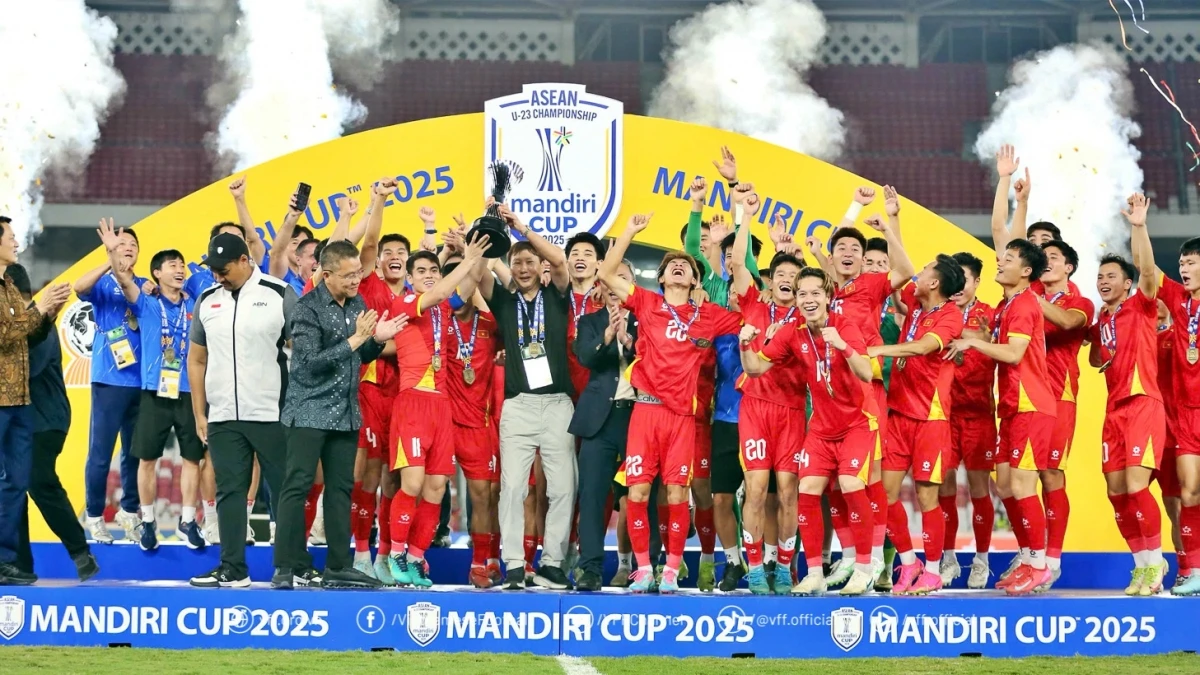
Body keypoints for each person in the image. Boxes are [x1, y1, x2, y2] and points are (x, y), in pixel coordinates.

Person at [598, 212, 744, 594]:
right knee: (637, 493)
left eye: (686, 266)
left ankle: (671, 571)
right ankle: (643, 569)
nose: (678, 267)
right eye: (670, 266)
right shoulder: (647, 303)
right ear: (661, 279)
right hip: (645, 412)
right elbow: (608, 273)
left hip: (682, 418)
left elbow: (749, 315)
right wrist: (629, 230)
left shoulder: (709, 316)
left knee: (679, 494)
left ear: (696, 280)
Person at [272, 240, 407, 589]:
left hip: (345, 412)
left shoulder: (357, 302)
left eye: (358, 273)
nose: (355, 280)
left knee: (341, 490)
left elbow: (361, 355)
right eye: (348, 276)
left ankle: (338, 566)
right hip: (308, 411)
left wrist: (377, 340)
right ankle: (285, 566)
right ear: (327, 274)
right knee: (297, 486)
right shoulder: (306, 308)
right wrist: (356, 340)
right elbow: (308, 364)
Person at [740, 266, 878, 596]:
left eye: (816, 293)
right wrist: (745, 345)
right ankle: (814, 572)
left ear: (828, 297)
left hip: (857, 423)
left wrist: (843, 346)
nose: (808, 299)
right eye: (802, 294)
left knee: (850, 483)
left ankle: (864, 568)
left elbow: (866, 373)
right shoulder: (793, 331)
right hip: (821, 428)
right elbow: (756, 369)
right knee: (808, 489)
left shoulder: (845, 325)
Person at [948, 238, 1056, 595]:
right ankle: (1026, 558)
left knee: (1023, 487)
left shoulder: (1024, 304)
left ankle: (1039, 565)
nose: (1000, 262)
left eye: (1008, 259)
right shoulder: (1007, 305)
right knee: (1007, 486)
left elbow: (1013, 354)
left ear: (1026, 271)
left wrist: (973, 342)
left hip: (1030, 405)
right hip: (1011, 407)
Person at [479, 206, 578, 592]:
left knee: (563, 488)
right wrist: (485, 234)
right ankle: (515, 565)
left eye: (529, 262)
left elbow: (560, 260)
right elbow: (478, 275)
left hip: (557, 405)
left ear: (541, 267)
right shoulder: (505, 301)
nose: (522, 268)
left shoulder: (558, 294)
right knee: (513, 489)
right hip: (518, 405)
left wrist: (521, 227)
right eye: (516, 262)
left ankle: (551, 564)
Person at [187, 233, 292, 588]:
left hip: (272, 412)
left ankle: (288, 565)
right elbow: (196, 359)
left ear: (245, 261)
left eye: (224, 269)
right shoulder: (207, 300)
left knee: (284, 490)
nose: (218, 276)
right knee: (229, 491)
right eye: (213, 270)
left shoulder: (278, 294)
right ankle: (232, 568)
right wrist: (200, 413)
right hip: (223, 415)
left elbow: (302, 349)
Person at [384, 236, 489, 588]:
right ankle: (395, 553)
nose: (429, 275)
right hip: (412, 403)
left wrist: (478, 257)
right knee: (412, 483)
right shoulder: (405, 302)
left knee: (436, 488)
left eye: (433, 270)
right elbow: (443, 291)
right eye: (422, 271)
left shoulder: (443, 308)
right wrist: (465, 259)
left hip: (441, 406)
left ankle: (416, 557)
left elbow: (467, 286)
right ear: (409, 278)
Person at [101, 218, 207, 553]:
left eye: (181, 265)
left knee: (193, 459)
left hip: (190, 393)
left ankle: (187, 521)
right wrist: (112, 252)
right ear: (156, 274)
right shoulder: (146, 301)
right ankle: (146, 521)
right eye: (172, 265)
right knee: (147, 459)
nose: (179, 269)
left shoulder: (196, 304)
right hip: (154, 391)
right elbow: (123, 278)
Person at [868, 254, 965, 594]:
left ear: (934, 283)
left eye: (924, 272)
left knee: (926, 497)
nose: (916, 275)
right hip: (898, 414)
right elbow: (902, 263)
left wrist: (879, 350)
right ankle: (910, 563)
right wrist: (889, 227)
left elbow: (923, 347)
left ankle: (933, 571)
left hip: (930, 418)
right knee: (884, 493)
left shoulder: (951, 316)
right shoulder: (915, 300)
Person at [727, 184, 805, 595]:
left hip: (793, 411)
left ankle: (785, 567)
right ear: (770, 280)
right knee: (756, 490)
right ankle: (755, 567)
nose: (787, 280)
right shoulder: (754, 305)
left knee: (789, 493)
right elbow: (739, 261)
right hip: (756, 408)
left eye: (795, 276)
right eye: (781, 275)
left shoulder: (807, 317)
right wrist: (746, 214)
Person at [1089, 193, 1168, 596]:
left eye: (1111, 277)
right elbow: (1095, 358)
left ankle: (1156, 564)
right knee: (1116, 492)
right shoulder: (1101, 318)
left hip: (1142, 404)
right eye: (1099, 277)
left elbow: (1148, 271)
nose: (1103, 282)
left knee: (1137, 486)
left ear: (1127, 283)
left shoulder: (1141, 305)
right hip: (1114, 410)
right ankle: (1140, 567)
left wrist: (1139, 226)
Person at [8, 262, 94, 581]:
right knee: (13, 489)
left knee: (38, 480)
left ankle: (80, 551)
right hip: (19, 423)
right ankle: (20, 565)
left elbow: (25, 369)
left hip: (45, 420)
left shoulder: (39, 321)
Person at [0, 217, 72, 584]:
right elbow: (6, 335)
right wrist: (38, 309)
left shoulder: (13, 292)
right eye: (11, 238)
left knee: (17, 485)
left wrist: (44, 314)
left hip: (23, 407)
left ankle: (11, 563)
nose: (16, 243)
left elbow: (25, 342)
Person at [73, 223, 145, 543]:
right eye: (122, 244)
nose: (127, 248)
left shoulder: (145, 286)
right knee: (101, 454)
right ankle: (94, 516)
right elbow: (78, 287)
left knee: (134, 453)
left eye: (132, 245)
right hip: (109, 380)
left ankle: (129, 513)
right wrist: (109, 259)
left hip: (141, 382)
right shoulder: (102, 284)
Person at [569, 259, 639, 591]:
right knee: (592, 497)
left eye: (622, 278)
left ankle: (646, 566)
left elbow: (656, 360)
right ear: (600, 286)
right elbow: (586, 357)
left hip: (639, 419)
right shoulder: (589, 322)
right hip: (599, 419)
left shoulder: (648, 320)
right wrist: (609, 335)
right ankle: (590, 569)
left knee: (640, 495)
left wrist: (629, 341)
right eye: (610, 279)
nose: (615, 286)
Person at [349, 178, 406, 583]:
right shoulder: (370, 285)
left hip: (404, 396)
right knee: (367, 474)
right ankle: (361, 551)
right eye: (389, 253)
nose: (394, 257)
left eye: (401, 252)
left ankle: (387, 552)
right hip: (369, 390)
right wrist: (379, 200)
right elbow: (368, 243)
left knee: (395, 478)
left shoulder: (419, 296)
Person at [1030, 238, 1093, 590]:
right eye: (1042, 257)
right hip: (1025, 396)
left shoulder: (1079, 302)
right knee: (1017, 478)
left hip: (1058, 396)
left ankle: (1052, 561)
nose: (1046, 261)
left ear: (1068, 267)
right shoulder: (1029, 294)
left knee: (1051, 474)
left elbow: (1068, 322)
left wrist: (1028, 298)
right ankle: (1031, 558)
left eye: (1052, 257)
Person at [444, 261, 504, 588]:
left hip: (478, 425)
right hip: (442, 422)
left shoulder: (490, 324)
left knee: (484, 496)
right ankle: (410, 558)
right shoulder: (439, 322)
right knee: (424, 490)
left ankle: (480, 562)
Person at [945, 252, 998, 589]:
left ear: (977, 282)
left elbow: (1010, 350)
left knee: (980, 490)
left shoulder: (991, 316)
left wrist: (981, 339)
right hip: (944, 415)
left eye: (965, 279)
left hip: (979, 414)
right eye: (955, 278)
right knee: (943, 489)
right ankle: (947, 559)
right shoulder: (938, 313)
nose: (959, 285)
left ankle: (982, 560)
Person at [1154, 235, 1200, 595]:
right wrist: (1139, 227)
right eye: (1181, 263)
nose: (1183, 268)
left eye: (1191, 263)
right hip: (1186, 415)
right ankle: (1194, 569)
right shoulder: (1179, 302)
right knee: (1189, 493)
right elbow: (1147, 269)